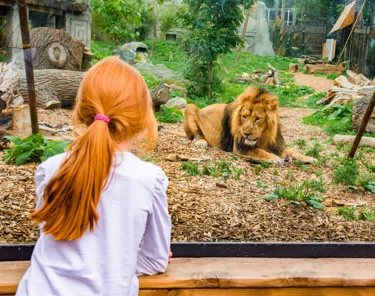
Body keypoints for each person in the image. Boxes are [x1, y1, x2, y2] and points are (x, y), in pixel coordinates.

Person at [16, 56, 172, 296]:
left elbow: (52, 241)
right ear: (142, 119)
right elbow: (156, 260)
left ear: (81, 111)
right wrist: (118, 266)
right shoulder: (149, 180)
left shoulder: (50, 170)